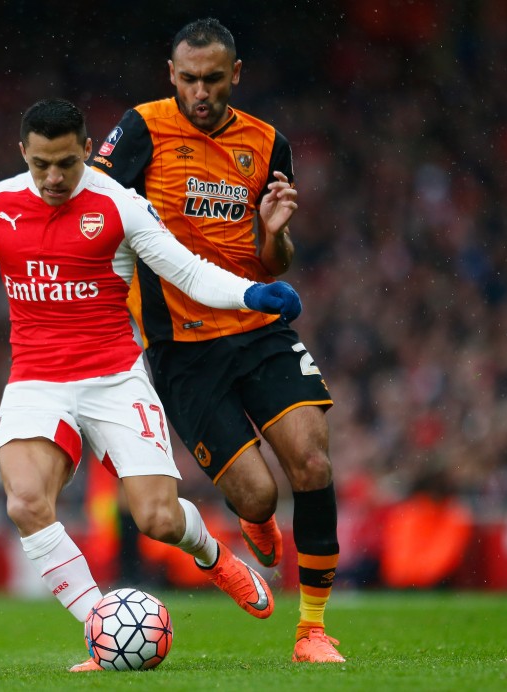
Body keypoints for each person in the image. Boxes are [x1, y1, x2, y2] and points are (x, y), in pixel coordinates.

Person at [0, 98, 303, 672]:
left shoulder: (120, 206)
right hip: (37, 381)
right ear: (23, 152)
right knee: (25, 502)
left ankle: (213, 556)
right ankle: (104, 631)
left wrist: (252, 294)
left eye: (67, 163)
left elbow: (188, 271)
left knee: (158, 519)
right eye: (41, 164)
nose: (53, 177)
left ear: (87, 151)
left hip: (115, 378)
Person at [90, 18, 346, 663]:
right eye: (188, 79)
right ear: (170, 75)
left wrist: (275, 233)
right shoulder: (141, 130)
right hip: (182, 348)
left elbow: (272, 261)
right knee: (257, 494)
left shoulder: (268, 143)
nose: (200, 92)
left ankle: (312, 630)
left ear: (235, 74)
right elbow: (91, 212)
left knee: (313, 462)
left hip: (257, 330)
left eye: (212, 79)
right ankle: (256, 519)